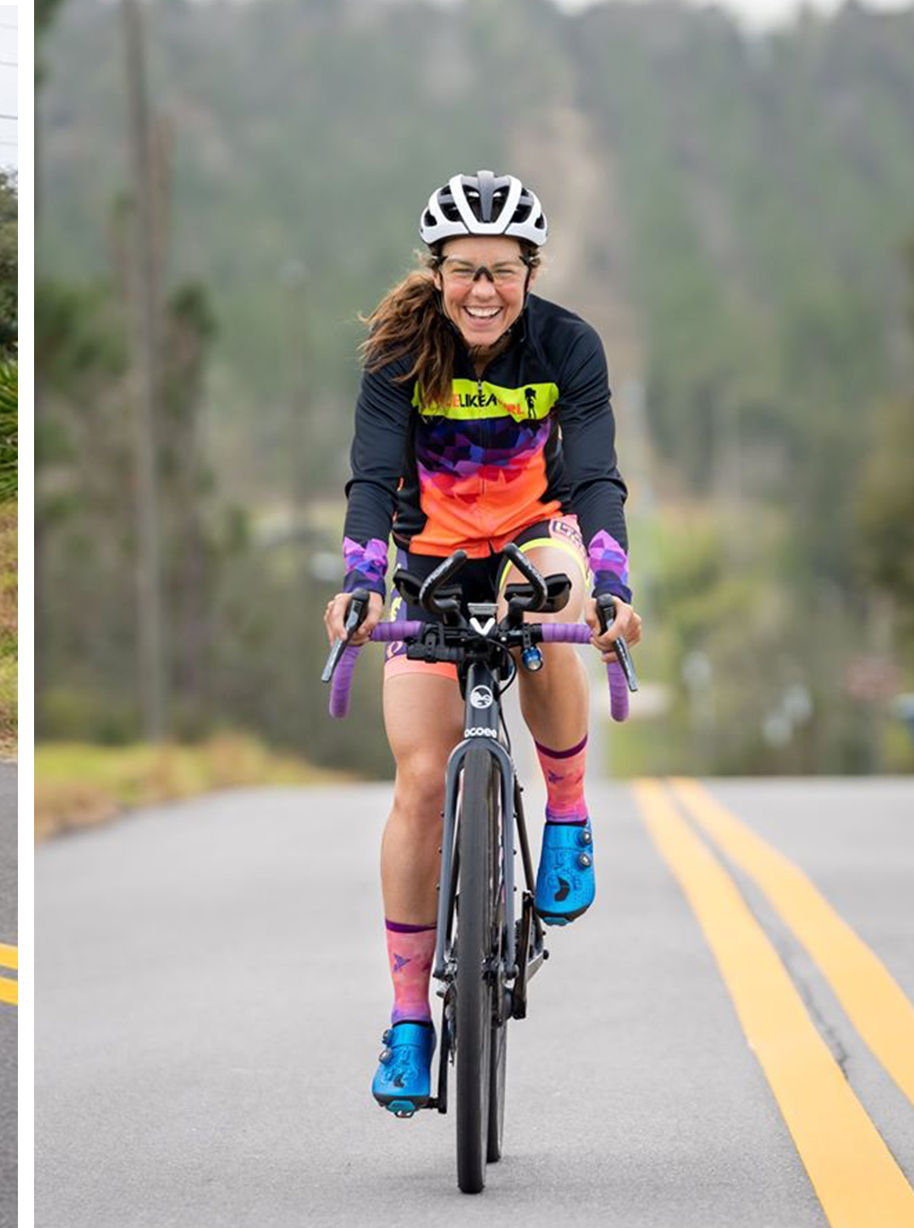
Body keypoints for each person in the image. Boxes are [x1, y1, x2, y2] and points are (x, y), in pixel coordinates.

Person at [325, 171, 643, 1115]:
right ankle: (409, 1022)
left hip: (532, 538)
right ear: (437, 271)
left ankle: (571, 810)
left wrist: (614, 584)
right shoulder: (397, 352)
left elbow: (593, 474)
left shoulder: (566, 345)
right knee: (421, 784)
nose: (483, 292)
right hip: (426, 563)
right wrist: (355, 581)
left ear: (529, 271)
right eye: (464, 271)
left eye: (502, 272)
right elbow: (372, 478)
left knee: (544, 595)